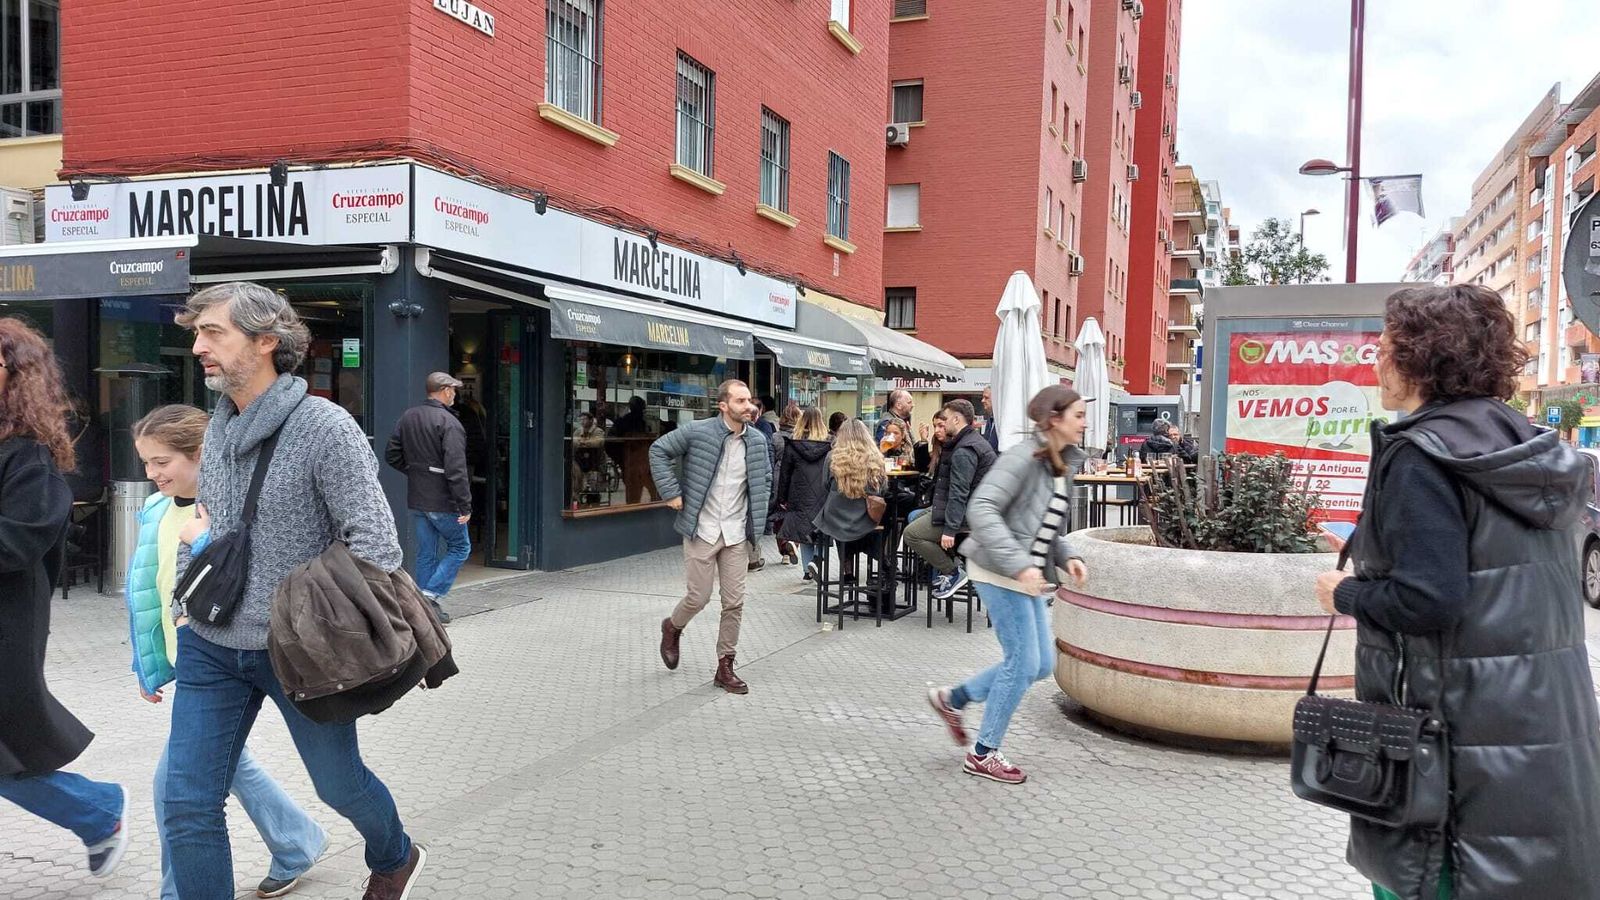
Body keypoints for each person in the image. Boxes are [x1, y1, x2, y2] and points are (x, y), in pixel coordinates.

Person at [1313, 284, 1600, 899]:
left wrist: (1346, 593)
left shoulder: (1420, 456)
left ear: (1421, 356)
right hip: (1535, 744)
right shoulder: (1523, 445)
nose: (1377, 362)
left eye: (1385, 348)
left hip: (1449, 760)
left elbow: (1427, 600)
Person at [167, 283, 426, 900]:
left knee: (338, 785)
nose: (198, 346)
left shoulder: (324, 427)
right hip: (211, 645)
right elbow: (217, 525)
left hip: (298, 654)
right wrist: (189, 573)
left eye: (213, 333)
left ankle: (394, 852)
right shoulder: (221, 428)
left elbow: (376, 546)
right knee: (186, 803)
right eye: (196, 333)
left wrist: (300, 607)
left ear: (265, 341)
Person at [128, 404, 328, 900]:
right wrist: (147, 663)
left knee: (178, 790)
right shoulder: (155, 510)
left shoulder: (233, 506)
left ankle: (179, 892)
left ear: (199, 454)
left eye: (162, 462)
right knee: (227, 768)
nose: (152, 475)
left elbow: (247, 582)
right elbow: (148, 591)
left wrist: (203, 545)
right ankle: (296, 843)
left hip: (229, 661)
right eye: (146, 463)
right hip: (188, 665)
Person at [0, 318, 130, 879]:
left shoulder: (29, 455)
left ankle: (98, 811)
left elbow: (19, 539)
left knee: (7, 749)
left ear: (16, 376)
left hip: (6, 624)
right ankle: (98, 811)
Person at [927, 385, 1090, 785]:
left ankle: (953, 699)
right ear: (1054, 419)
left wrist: (1065, 555)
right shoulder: (1020, 457)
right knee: (1020, 665)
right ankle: (983, 753)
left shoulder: (1059, 460)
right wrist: (1019, 565)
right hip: (1000, 569)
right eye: (1079, 416)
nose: (1085, 423)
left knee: (1040, 665)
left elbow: (1044, 521)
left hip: (1025, 572)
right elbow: (981, 509)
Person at [649, 379, 771, 695]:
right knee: (699, 597)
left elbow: (765, 481)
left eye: (750, 401)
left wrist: (758, 524)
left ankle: (725, 665)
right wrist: (671, 492)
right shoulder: (698, 432)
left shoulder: (757, 441)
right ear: (723, 405)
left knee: (734, 602)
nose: (750, 406)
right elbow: (658, 450)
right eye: (742, 401)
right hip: (702, 529)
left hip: (736, 534)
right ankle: (672, 627)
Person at [386, 371, 472, 625]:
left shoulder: (409, 416)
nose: (455, 394)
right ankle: (430, 595)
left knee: (426, 552)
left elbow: (391, 454)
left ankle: (423, 607)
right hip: (443, 501)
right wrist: (464, 504)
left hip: (418, 498)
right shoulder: (450, 423)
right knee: (460, 547)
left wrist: (417, 473)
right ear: (445, 390)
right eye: (453, 390)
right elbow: (456, 469)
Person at [904, 400, 999, 600]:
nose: (943, 424)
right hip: (967, 509)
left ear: (956, 419)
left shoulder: (964, 449)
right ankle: (947, 567)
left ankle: (953, 571)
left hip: (969, 515)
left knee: (911, 534)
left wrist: (950, 529)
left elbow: (959, 492)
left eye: (945, 420)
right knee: (915, 518)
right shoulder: (968, 441)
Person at [813, 419, 888, 584]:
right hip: (866, 519)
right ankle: (882, 559)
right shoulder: (876, 457)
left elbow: (825, 485)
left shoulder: (832, 457)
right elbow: (883, 489)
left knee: (836, 517)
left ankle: (845, 568)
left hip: (836, 520)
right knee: (878, 522)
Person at [775, 408, 834, 582]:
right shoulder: (830, 443)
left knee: (803, 531)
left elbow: (785, 473)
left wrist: (782, 498)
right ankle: (816, 561)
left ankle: (807, 571)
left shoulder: (793, 443)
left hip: (799, 492)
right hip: (824, 492)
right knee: (821, 531)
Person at [612, 396, 661, 505]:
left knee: (638, 494)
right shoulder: (629, 422)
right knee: (640, 492)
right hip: (634, 460)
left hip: (637, 461)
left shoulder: (628, 421)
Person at [772, 402, 801, 565]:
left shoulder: (775, 437)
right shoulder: (800, 438)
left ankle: (783, 550)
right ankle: (793, 544)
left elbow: (771, 460)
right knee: (795, 514)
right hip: (796, 479)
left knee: (779, 516)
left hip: (778, 478)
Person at [981, 386, 1000, 451]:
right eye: (983, 397)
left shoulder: (1004, 421)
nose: (982, 400)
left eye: (986, 398)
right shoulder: (990, 419)